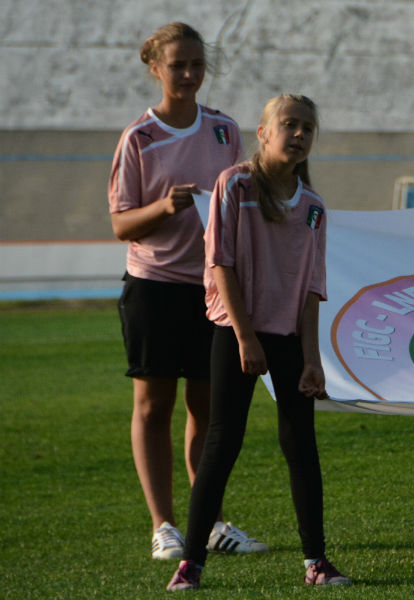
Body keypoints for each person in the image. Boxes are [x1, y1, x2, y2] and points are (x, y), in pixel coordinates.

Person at [166, 93, 348, 590]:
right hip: (235, 332)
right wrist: (246, 337)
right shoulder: (235, 184)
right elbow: (220, 263)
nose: (299, 134)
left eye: (307, 127)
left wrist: (312, 360)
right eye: (288, 124)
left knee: (301, 446)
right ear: (263, 133)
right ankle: (191, 564)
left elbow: (311, 289)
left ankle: (316, 562)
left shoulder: (313, 208)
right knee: (222, 443)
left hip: (288, 338)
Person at [108, 21, 267, 560]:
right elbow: (121, 224)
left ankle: (212, 523)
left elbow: (242, 204)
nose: (189, 74)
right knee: (154, 406)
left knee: (208, 408)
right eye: (178, 65)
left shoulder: (224, 131)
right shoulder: (139, 137)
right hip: (153, 287)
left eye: (197, 64)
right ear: (156, 68)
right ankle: (164, 526)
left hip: (212, 290)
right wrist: (164, 206)